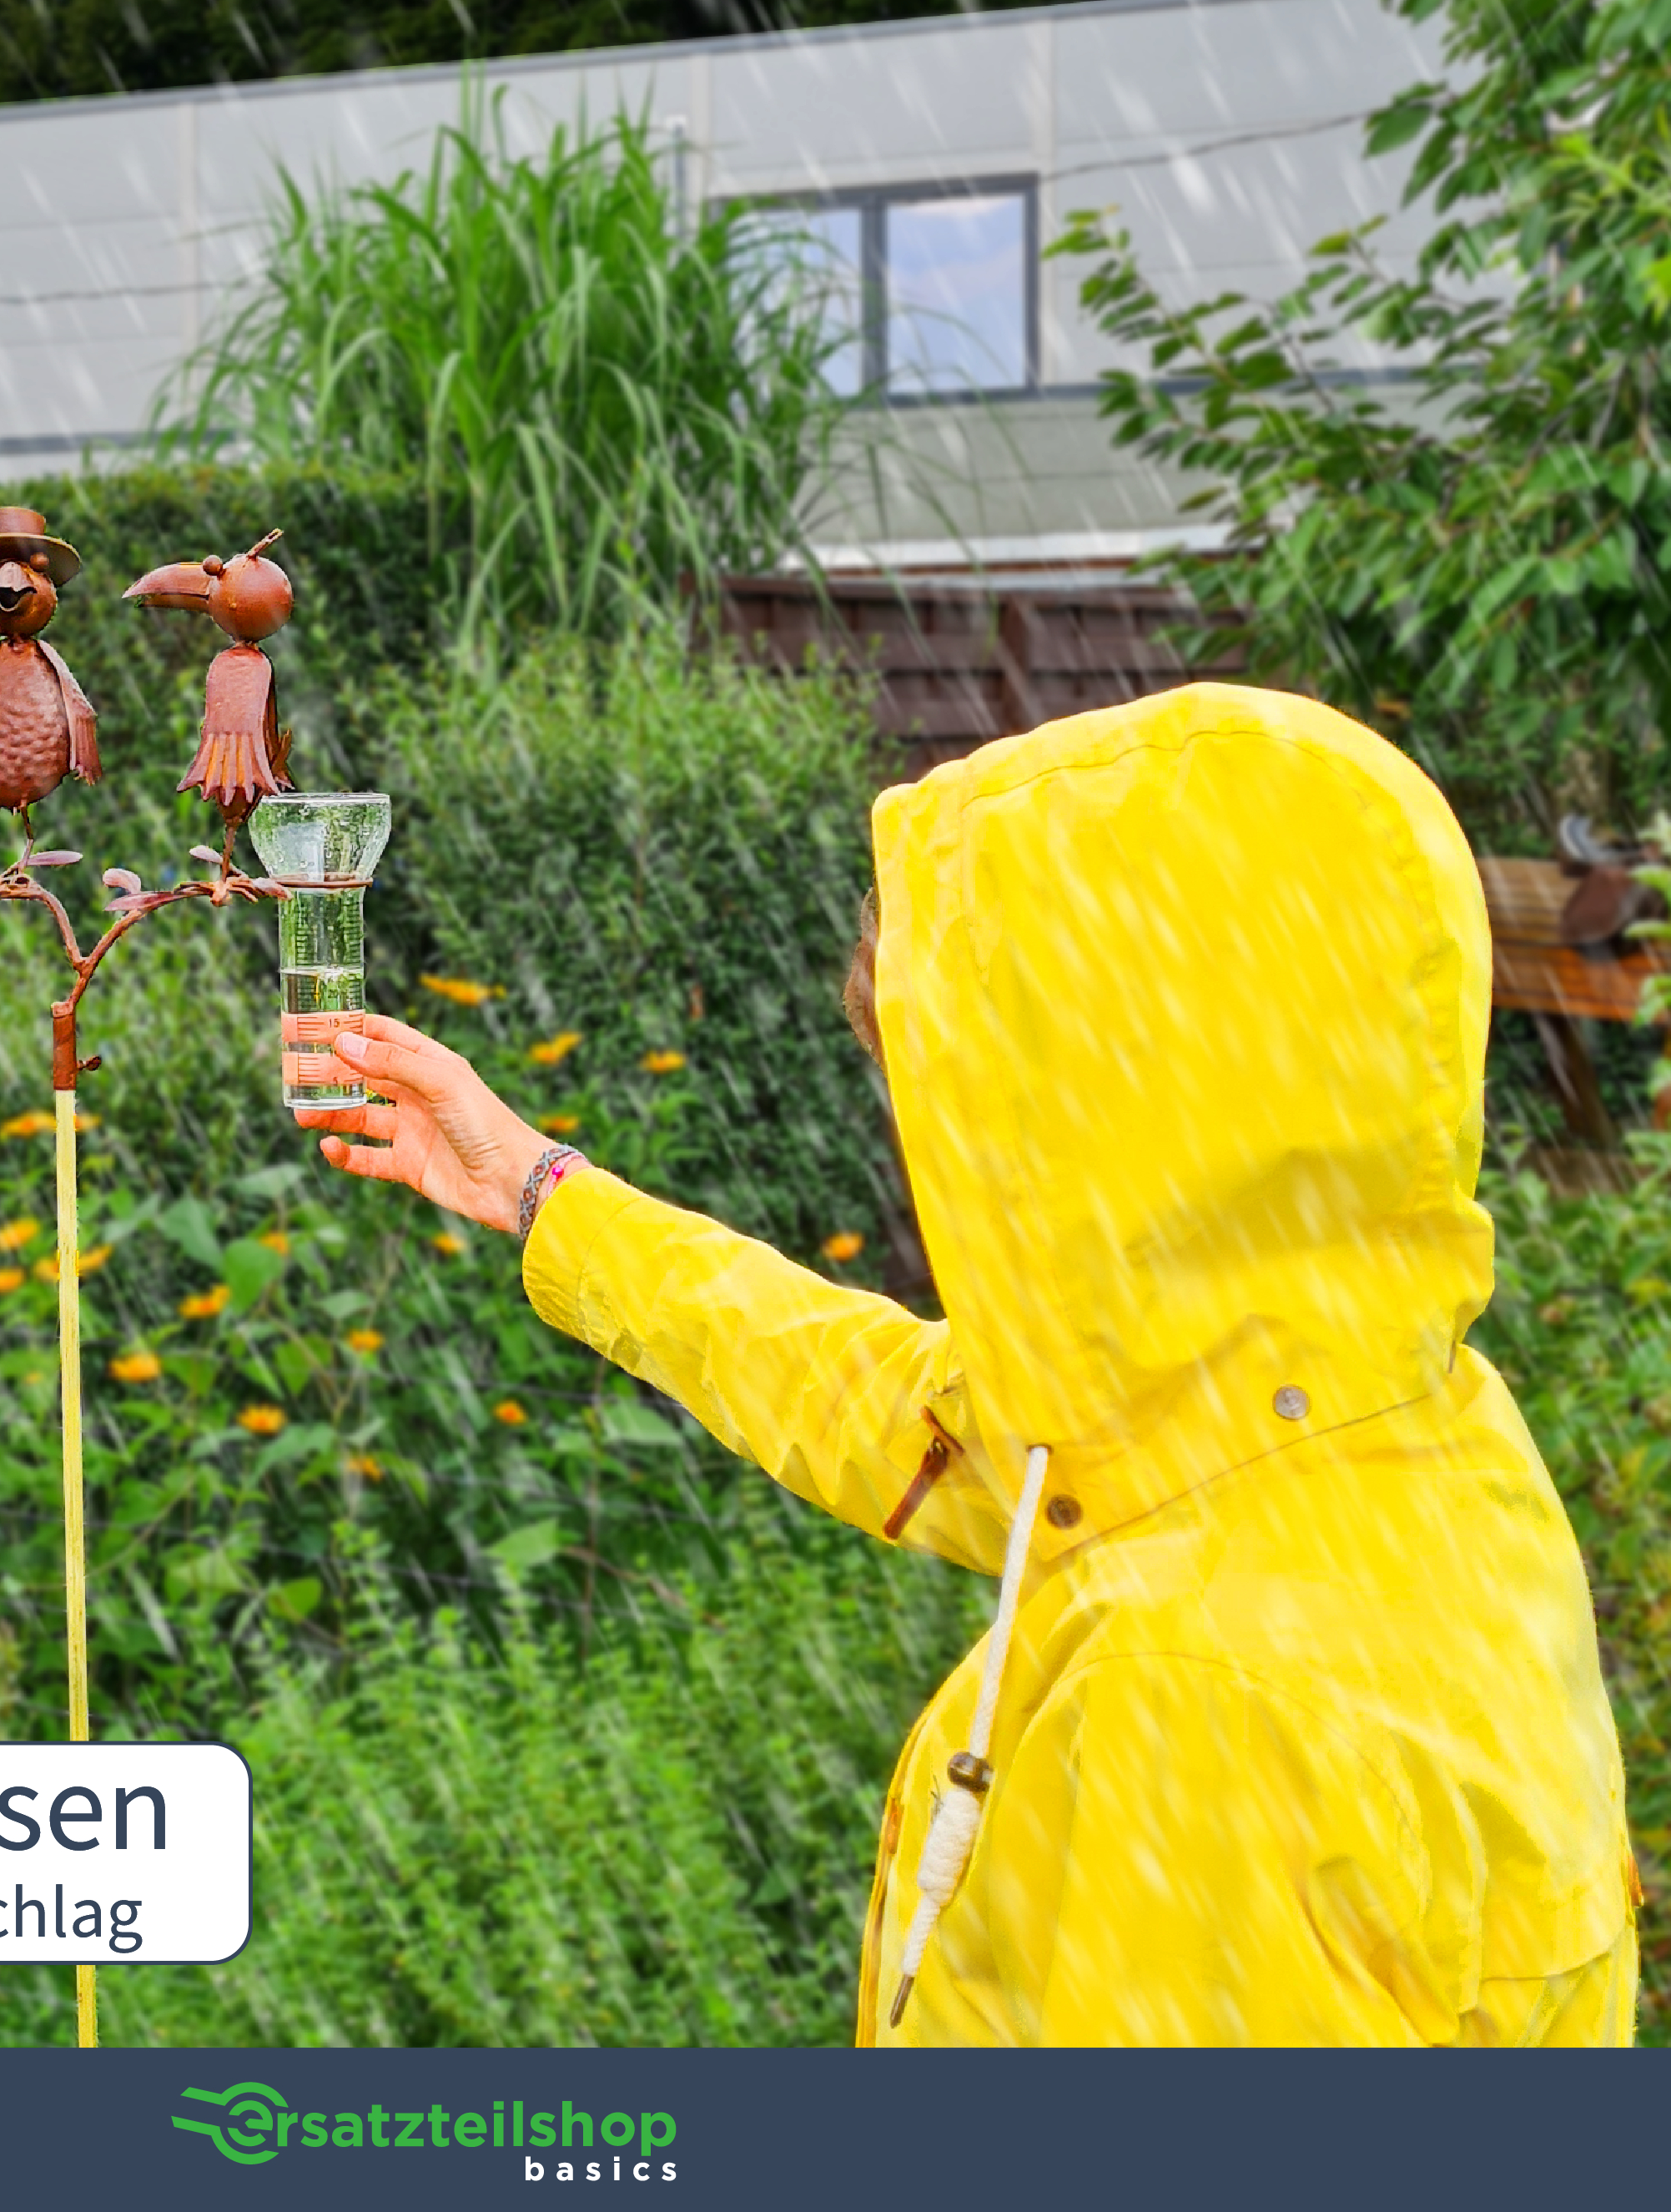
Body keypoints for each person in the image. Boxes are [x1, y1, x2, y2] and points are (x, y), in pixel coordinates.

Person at [299, 683, 1638, 2046]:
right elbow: (914, 1415)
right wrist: (541, 1191)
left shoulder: (1195, 1707)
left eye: (963, 1120)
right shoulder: (1399, 1432)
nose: (939, 1170)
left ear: (1112, 1138)